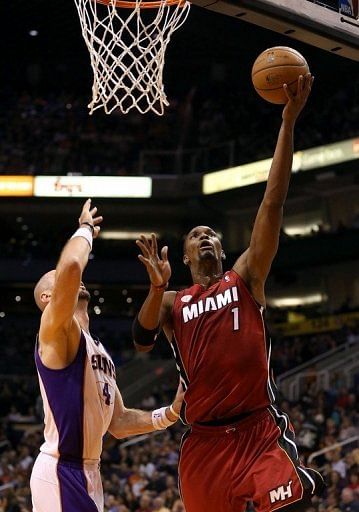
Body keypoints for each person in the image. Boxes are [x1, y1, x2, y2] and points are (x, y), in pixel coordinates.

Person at [133, 74, 325, 512]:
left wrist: (288, 122)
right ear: (183, 256)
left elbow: (272, 204)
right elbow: (141, 340)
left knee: (291, 502)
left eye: (211, 235)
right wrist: (157, 286)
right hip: (204, 442)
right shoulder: (170, 301)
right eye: (195, 235)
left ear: (221, 248)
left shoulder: (245, 278)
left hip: (258, 430)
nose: (204, 238)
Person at [31, 199, 183, 512]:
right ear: (48, 297)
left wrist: (169, 414)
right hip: (60, 469)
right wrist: (85, 228)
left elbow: (119, 422)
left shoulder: (98, 349)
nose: (74, 280)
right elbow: (72, 266)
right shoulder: (55, 329)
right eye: (56, 279)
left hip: (90, 471)